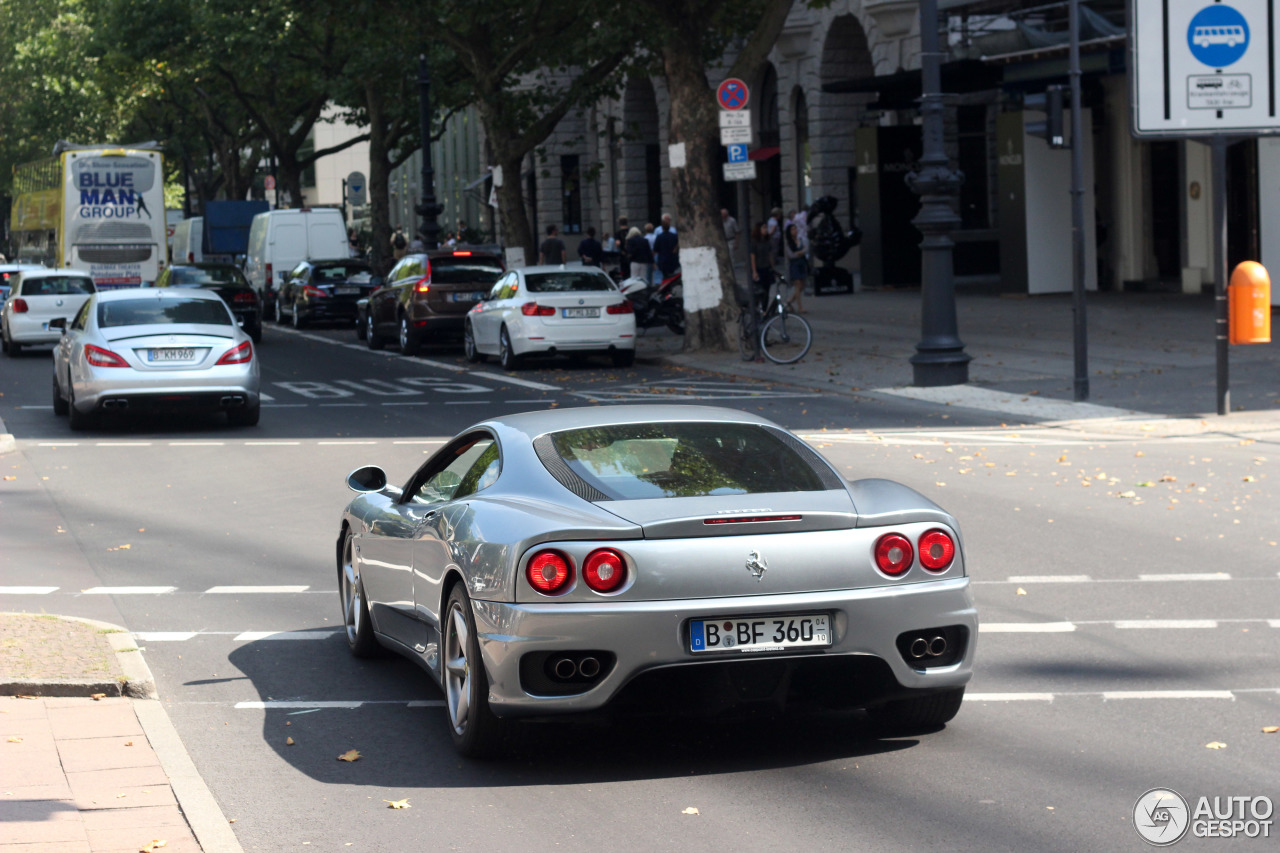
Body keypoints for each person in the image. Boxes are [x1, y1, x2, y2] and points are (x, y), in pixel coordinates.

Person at [784, 222, 809, 314]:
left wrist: (799, 253)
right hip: (794, 265)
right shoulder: (788, 243)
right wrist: (800, 253)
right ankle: (800, 307)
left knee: (801, 286)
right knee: (797, 285)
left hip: (802, 264)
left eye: (795, 229)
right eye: (793, 229)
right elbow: (791, 255)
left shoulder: (800, 240)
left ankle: (790, 301)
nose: (795, 231)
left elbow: (806, 249)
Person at [749, 222, 775, 303]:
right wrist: (754, 271)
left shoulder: (767, 241)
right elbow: (753, 257)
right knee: (759, 290)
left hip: (766, 267)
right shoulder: (754, 242)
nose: (766, 230)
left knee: (767, 290)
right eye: (764, 228)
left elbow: (770, 255)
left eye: (766, 228)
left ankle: (764, 309)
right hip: (759, 268)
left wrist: (773, 268)